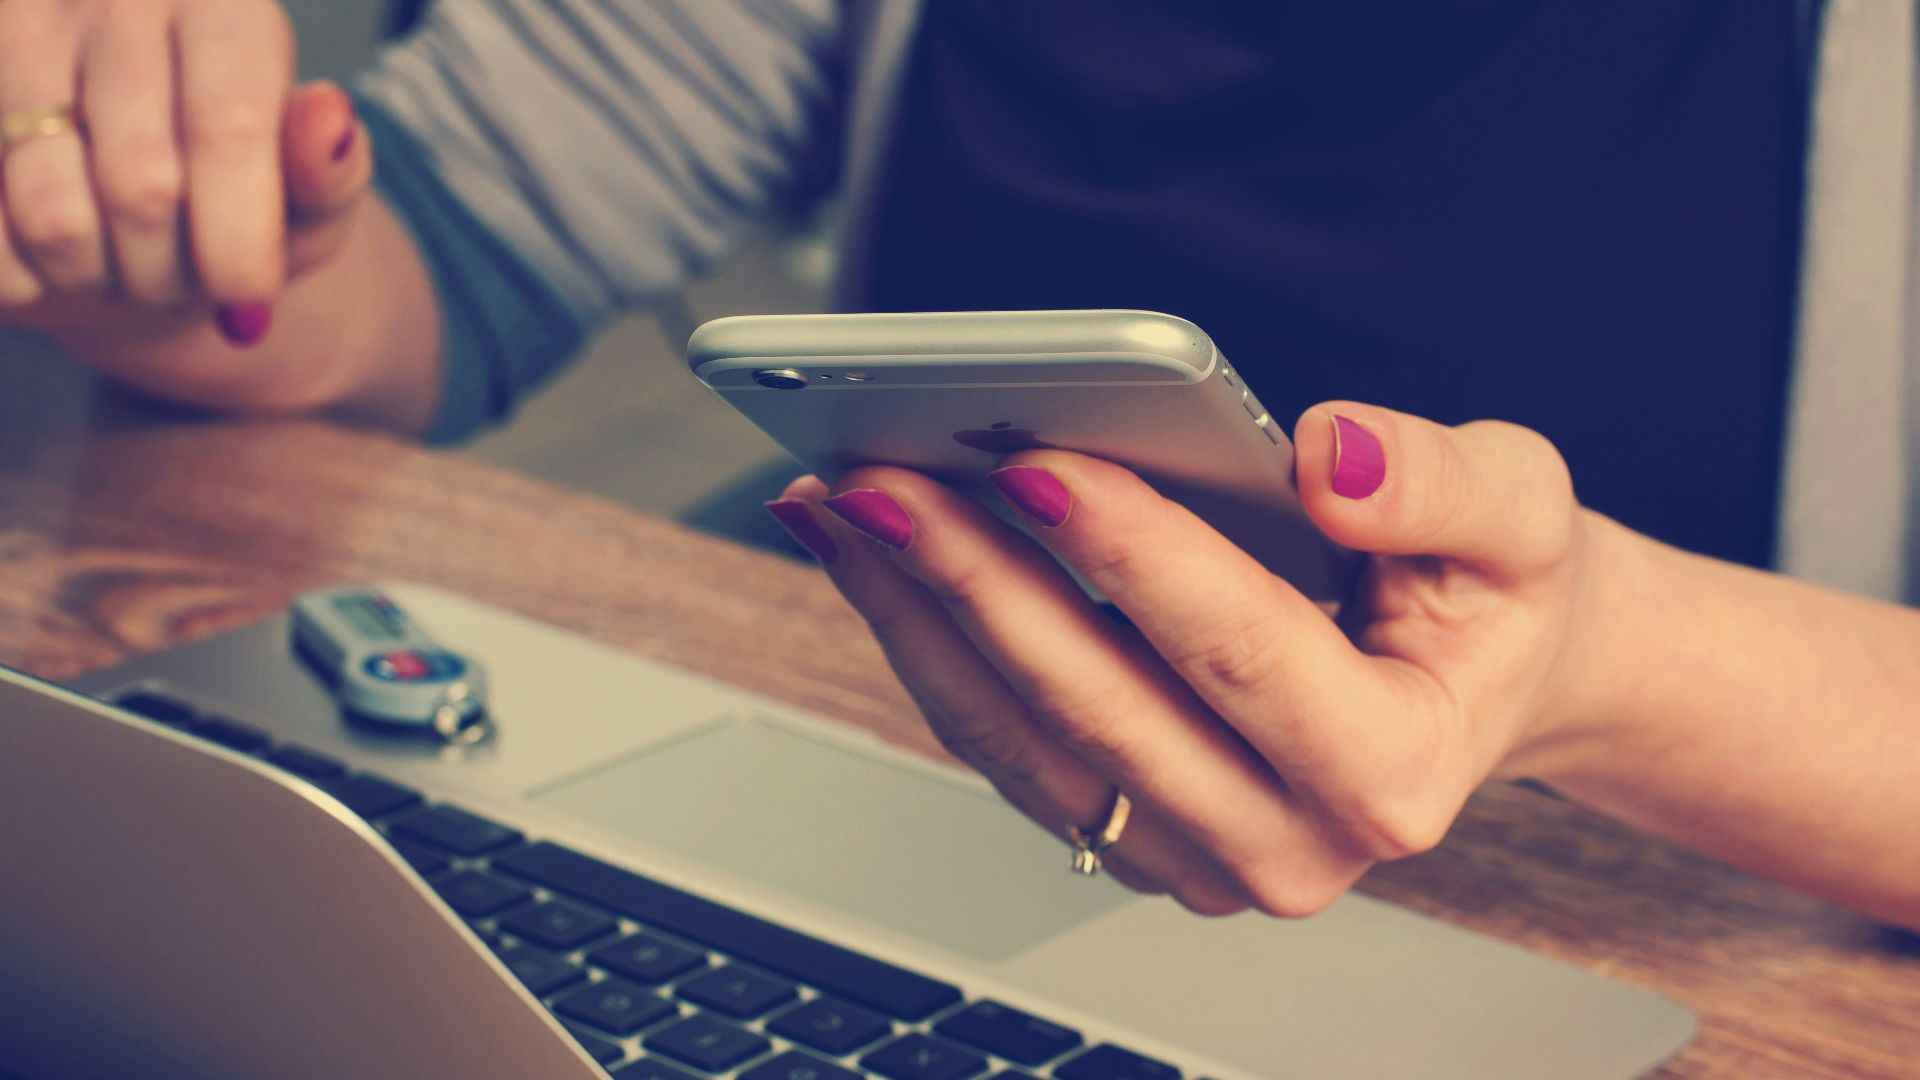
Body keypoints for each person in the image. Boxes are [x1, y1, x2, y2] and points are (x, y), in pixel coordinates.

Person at [0, 0, 1914, 929]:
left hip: (1691, 949)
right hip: (913, 848)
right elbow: (459, 218)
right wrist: (185, 218)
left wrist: (1597, 663)